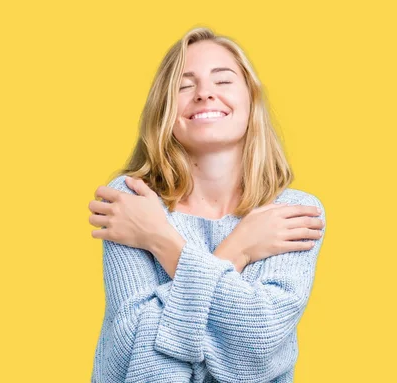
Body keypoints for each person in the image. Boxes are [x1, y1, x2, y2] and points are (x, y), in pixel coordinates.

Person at [88, 27, 327, 383]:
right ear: (165, 108)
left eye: (223, 80)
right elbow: (134, 359)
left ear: (251, 100)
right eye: (185, 85)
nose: (204, 94)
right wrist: (239, 248)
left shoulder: (292, 212)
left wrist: (160, 241)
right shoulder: (133, 199)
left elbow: (258, 352)